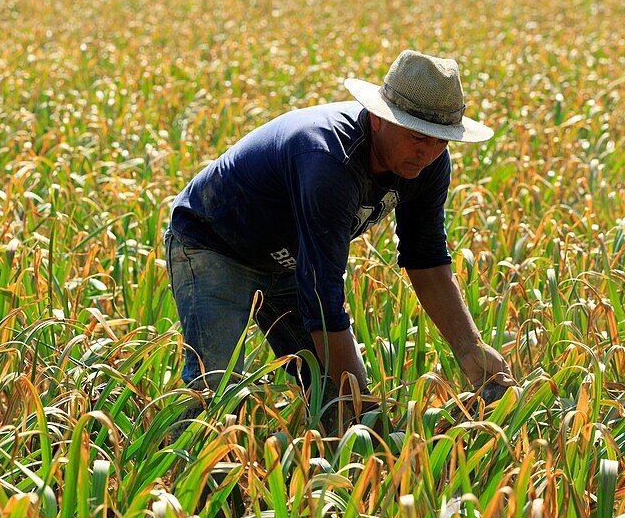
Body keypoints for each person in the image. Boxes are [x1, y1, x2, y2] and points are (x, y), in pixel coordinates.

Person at [164, 49, 516, 431]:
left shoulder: (427, 164)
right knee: (216, 390)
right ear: (380, 119)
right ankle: (181, 479)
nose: (428, 153)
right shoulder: (329, 159)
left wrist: (471, 350)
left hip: (291, 261)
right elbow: (323, 297)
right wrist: (365, 415)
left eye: (441, 141)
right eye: (417, 137)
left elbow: (425, 257)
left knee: (333, 400)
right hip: (215, 242)